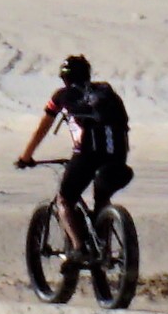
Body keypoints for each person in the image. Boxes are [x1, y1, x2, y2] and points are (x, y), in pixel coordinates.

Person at [15, 52, 133, 234]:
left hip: (86, 155)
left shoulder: (62, 95)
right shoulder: (107, 91)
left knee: (65, 199)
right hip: (118, 157)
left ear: (64, 78)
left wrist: (26, 157)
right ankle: (105, 246)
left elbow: (42, 129)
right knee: (102, 197)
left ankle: (79, 248)